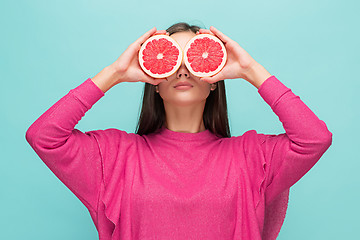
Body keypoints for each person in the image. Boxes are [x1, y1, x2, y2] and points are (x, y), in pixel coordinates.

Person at [25, 22, 333, 240]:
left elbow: (314, 139)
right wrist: (114, 74)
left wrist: (251, 70)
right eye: (171, 59)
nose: (183, 68)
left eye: (196, 58)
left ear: (214, 79)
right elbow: (44, 137)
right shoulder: (115, 155)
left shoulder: (253, 156)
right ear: (154, 81)